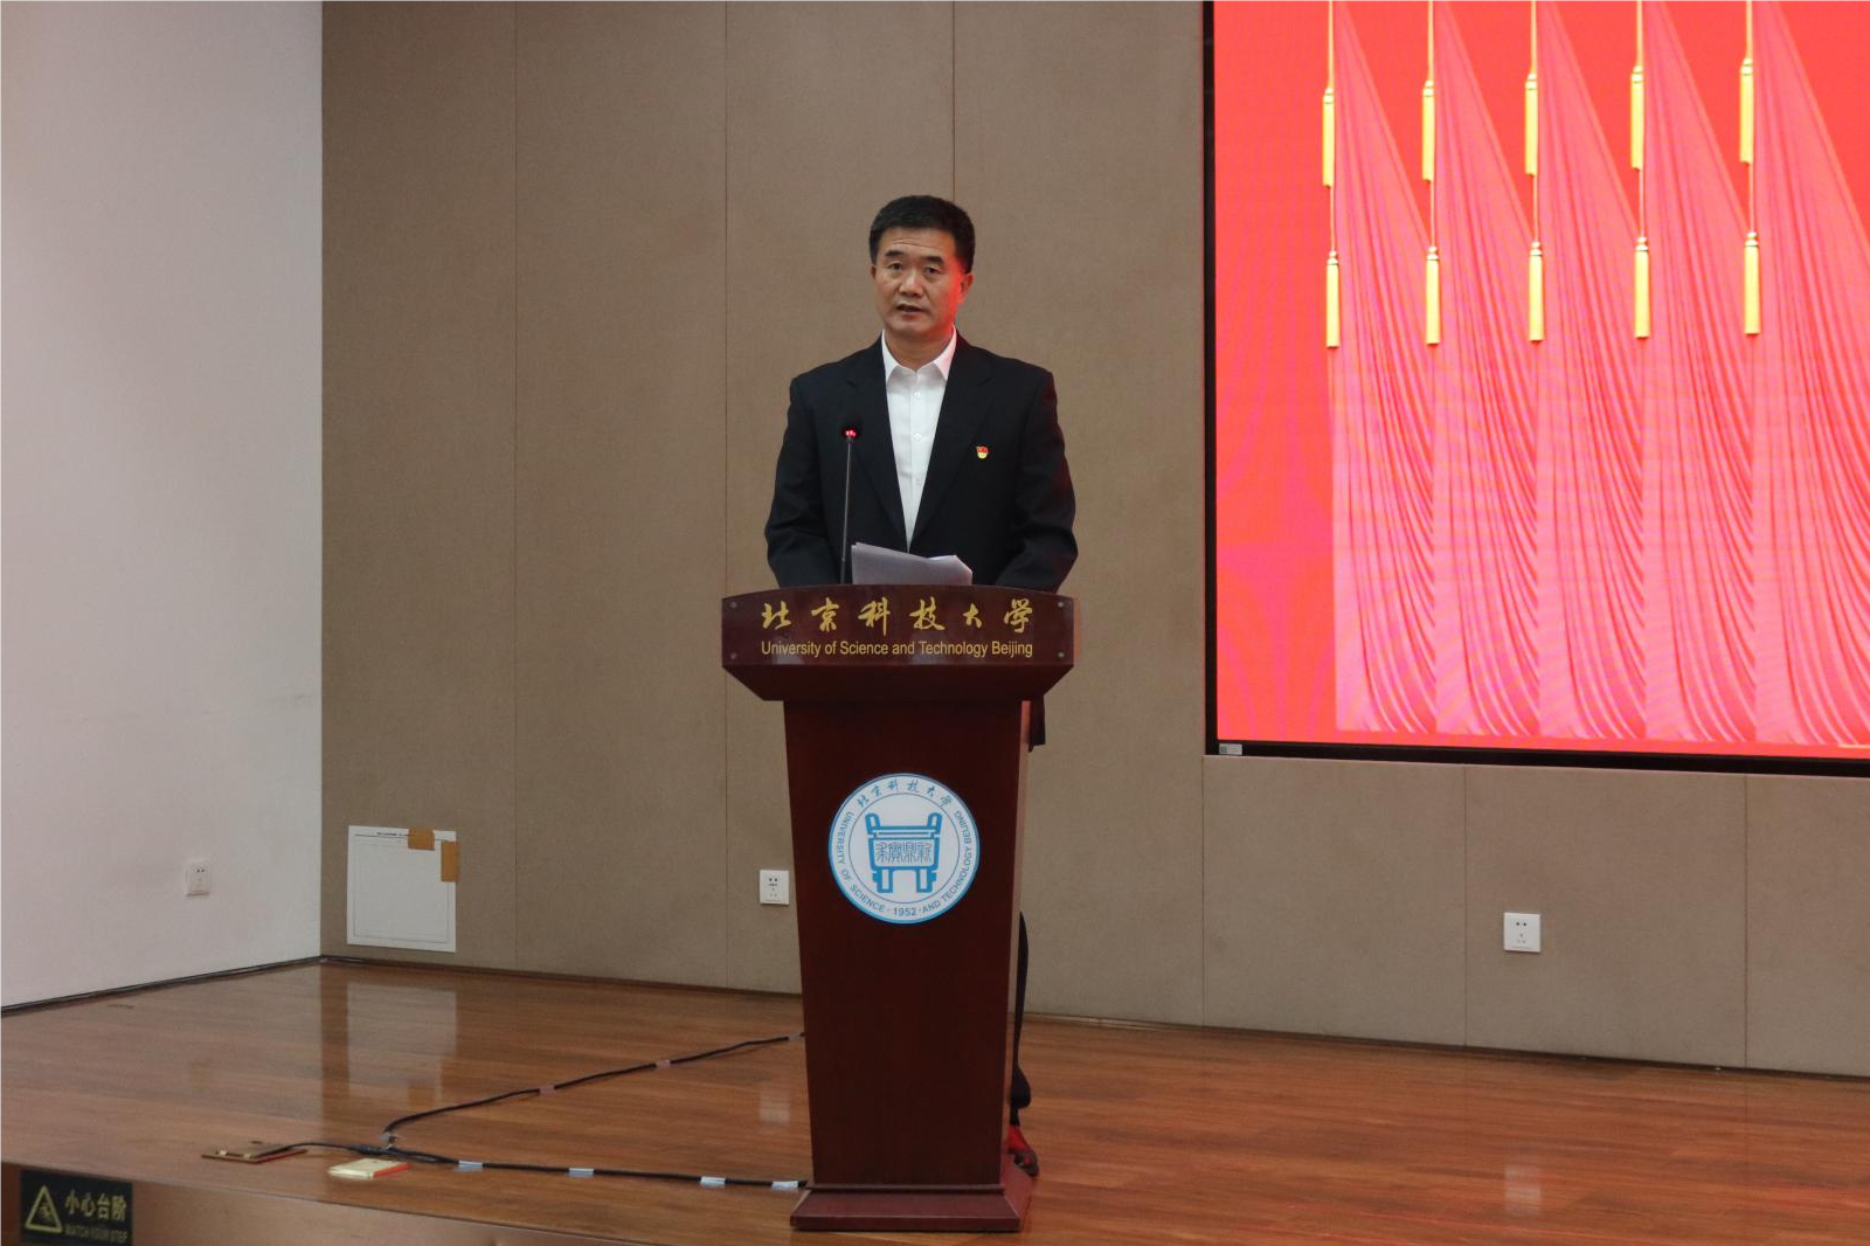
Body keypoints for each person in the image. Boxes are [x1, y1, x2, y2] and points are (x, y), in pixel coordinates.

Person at [763, 195, 1075, 1178]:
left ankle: (993, 1103)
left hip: (974, 696)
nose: (910, 283)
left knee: (978, 889)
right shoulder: (823, 398)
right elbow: (791, 531)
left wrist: (977, 631)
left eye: (931, 267)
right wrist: (835, 618)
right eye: (894, 264)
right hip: (852, 695)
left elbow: (1046, 538)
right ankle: (865, 1108)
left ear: (963, 282)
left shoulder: (1015, 394)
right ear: (871, 275)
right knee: (860, 898)